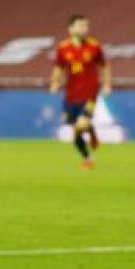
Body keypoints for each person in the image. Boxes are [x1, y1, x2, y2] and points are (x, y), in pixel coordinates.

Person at [49, 14, 111, 170]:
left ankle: (89, 145)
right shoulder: (63, 48)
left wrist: (107, 84)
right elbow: (58, 67)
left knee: (79, 125)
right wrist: (55, 83)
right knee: (74, 127)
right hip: (71, 95)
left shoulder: (94, 46)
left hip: (90, 93)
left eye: (86, 26)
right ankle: (88, 155)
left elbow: (105, 66)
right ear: (70, 29)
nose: (84, 29)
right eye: (81, 26)